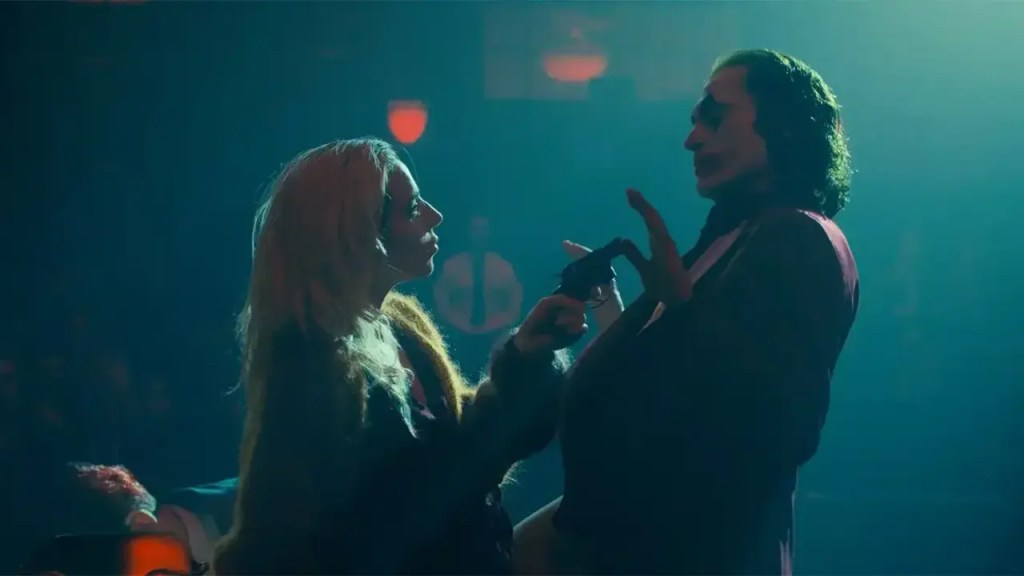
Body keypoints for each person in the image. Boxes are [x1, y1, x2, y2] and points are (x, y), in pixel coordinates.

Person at [514, 49, 860, 575]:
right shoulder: (737, 236)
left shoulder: (794, 237)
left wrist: (676, 310)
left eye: (714, 117)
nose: (692, 139)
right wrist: (623, 313)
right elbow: (679, 370)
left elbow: (767, 423)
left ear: (785, 124)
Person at [212, 138, 586, 575]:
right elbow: (402, 502)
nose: (435, 215)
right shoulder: (314, 365)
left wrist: (525, 354)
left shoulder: (401, 323)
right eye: (411, 209)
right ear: (359, 234)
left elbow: (457, 447)